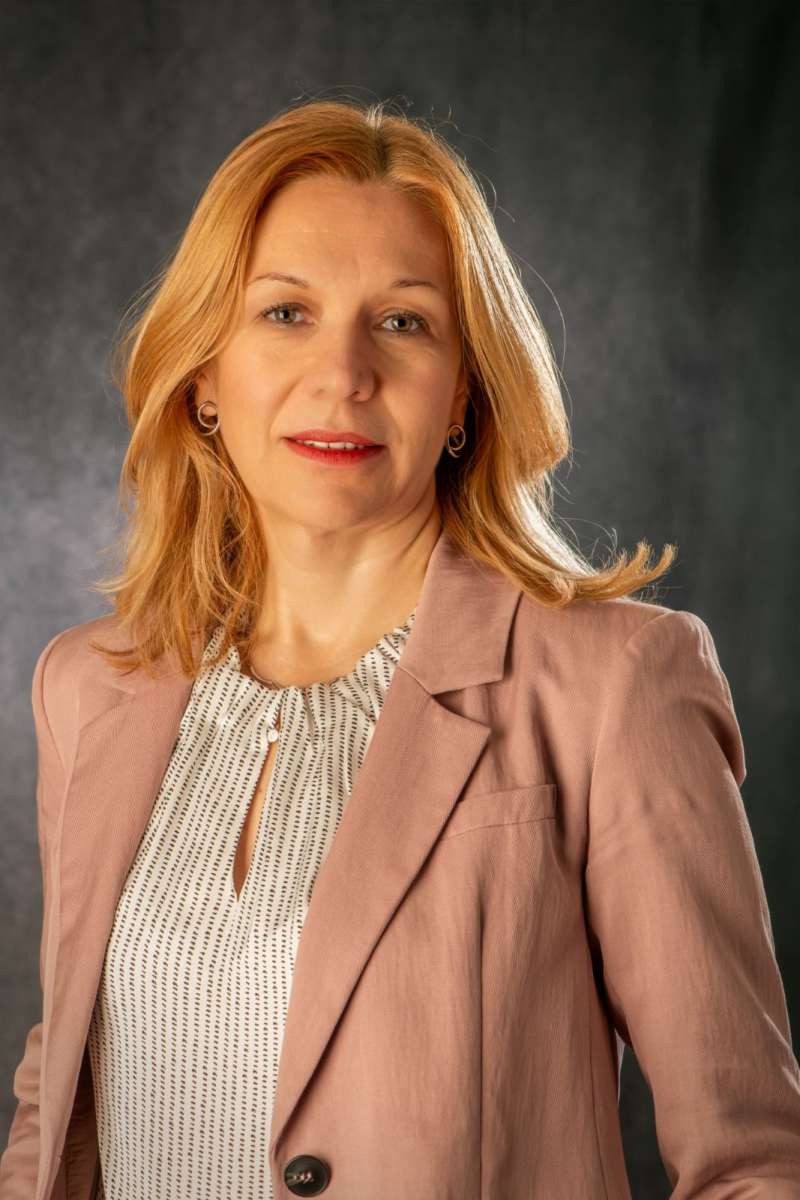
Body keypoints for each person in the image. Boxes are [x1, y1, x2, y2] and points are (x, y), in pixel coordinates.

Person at [2, 97, 799, 1200]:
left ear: (464, 388)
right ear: (204, 376)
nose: (343, 372)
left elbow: (752, 1166)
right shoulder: (88, 686)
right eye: (286, 312)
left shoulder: (615, 683)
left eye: (404, 322)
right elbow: (59, 1094)